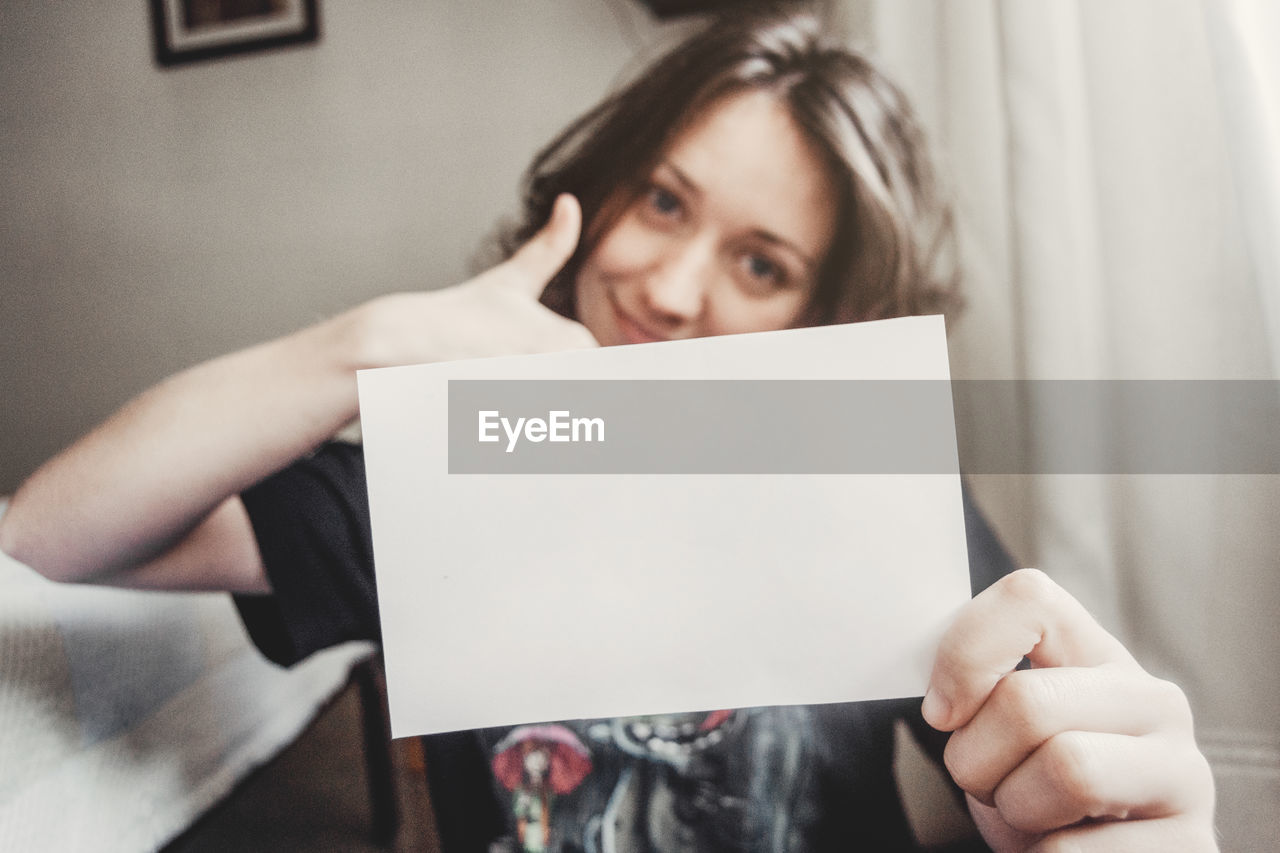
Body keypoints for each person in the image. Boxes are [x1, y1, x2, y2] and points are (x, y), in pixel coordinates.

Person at [0, 8, 1216, 852]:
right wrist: (357, 347)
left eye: (758, 261)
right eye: (663, 200)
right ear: (598, 192)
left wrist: (1106, 799)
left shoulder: (863, 493)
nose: (673, 288)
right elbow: (52, 536)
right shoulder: (446, 476)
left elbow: (1049, 767)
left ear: (824, 313)